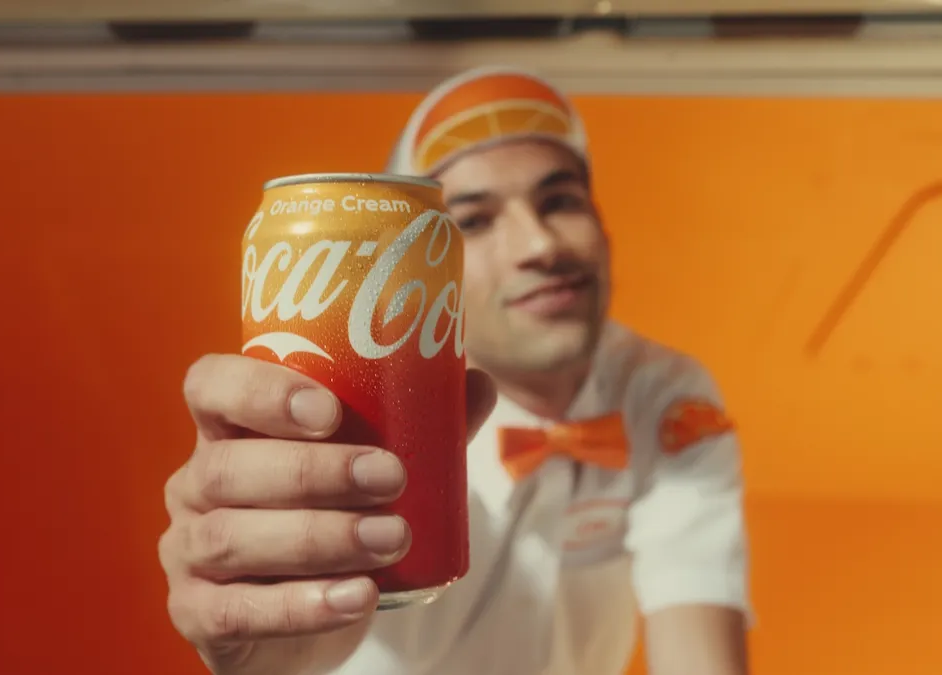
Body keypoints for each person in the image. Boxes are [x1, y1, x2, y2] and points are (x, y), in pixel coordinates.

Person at [159, 66, 752, 675]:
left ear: (602, 224)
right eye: (472, 220)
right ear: (417, 262)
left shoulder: (661, 390)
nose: (538, 246)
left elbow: (700, 641)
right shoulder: (361, 429)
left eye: (561, 201)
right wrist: (273, 658)